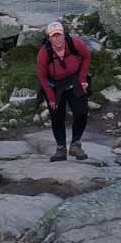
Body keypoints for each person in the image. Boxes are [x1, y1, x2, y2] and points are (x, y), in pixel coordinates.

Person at [35, 20, 90, 161]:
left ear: (64, 35)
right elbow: (41, 77)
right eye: (53, 36)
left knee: (81, 112)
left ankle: (76, 144)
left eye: (59, 35)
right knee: (57, 117)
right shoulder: (44, 53)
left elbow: (86, 56)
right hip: (54, 85)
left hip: (74, 80)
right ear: (49, 38)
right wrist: (51, 97)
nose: (57, 38)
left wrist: (83, 78)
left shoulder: (75, 43)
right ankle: (61, 149)